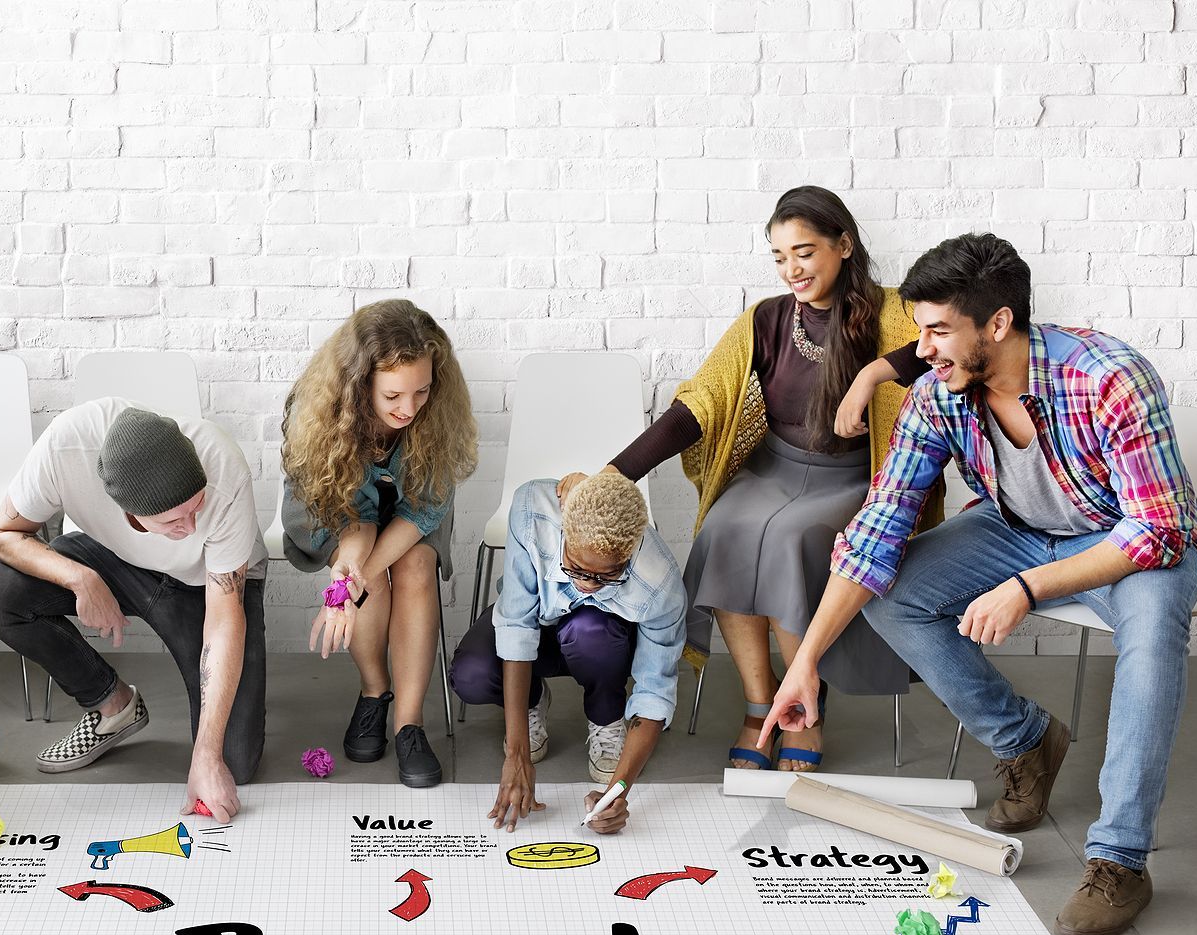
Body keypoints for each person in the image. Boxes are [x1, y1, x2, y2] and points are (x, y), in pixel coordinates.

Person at [761, 232, 1197, 935]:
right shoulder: (939, 392)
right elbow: (877, 530)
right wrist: (804, 664)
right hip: (1017, 528)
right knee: (890, 588)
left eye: (940, 329)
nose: (924, 348)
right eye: (920, 329)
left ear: (998, 324)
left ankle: (1120, 859)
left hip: (1125, 540)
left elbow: (1157, 528)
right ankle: (1026, 741)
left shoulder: (1109, 377)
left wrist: (1029, 589)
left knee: (1158, 629)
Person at [559, 186, 938, 775]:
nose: (792, 269)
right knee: (726, 528)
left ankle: (803, 709)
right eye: (780, 256)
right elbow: (701, 403)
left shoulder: (893, 311)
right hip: (775, 467)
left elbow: (946, 339)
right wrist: (614, 475)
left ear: (844, 245)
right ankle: (762, 707)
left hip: (855, 479)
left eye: (804, 252)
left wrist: (871, 376)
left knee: (790, 539)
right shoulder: (766, 319)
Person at [0, 399, 268, 822]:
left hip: (207, 583)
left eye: (196, 508)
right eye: (172, 521)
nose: (189, 527)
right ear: (129, 512)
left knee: (232, 760)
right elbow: (2, 535)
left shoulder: (224, 467)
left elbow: (223, 618)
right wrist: (81, 579)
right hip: (113, 559)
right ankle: (113, 703)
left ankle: (209, 750)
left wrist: (205, 756)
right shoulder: (63, 447)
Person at [280, 299, 478, 789]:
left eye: (422, 391)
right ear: (359, 382)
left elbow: (424, 510)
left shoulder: (436, 415)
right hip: (335, 510)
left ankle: (409, 724)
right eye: (392, 395)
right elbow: (354, 520)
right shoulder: (318, 413)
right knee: (363, 576)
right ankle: (374, 691)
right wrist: (351, 571)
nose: (409, 409)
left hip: (413, 512)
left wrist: (355, 578)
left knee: (413, 566)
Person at [450, 473, 686, 833]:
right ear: (564, 532)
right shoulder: (532, 511)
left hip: (601, 646)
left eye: (607, 577)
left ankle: (607, 716)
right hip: (539, 628)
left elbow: (654, 692)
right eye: (575, 568)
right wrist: (517, 756)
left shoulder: (660, 583)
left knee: (590, 629)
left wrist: (617, 793)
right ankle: (531, 700)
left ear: (631, 550)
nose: (587, 585)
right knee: (472, 674)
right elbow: (516, 625)